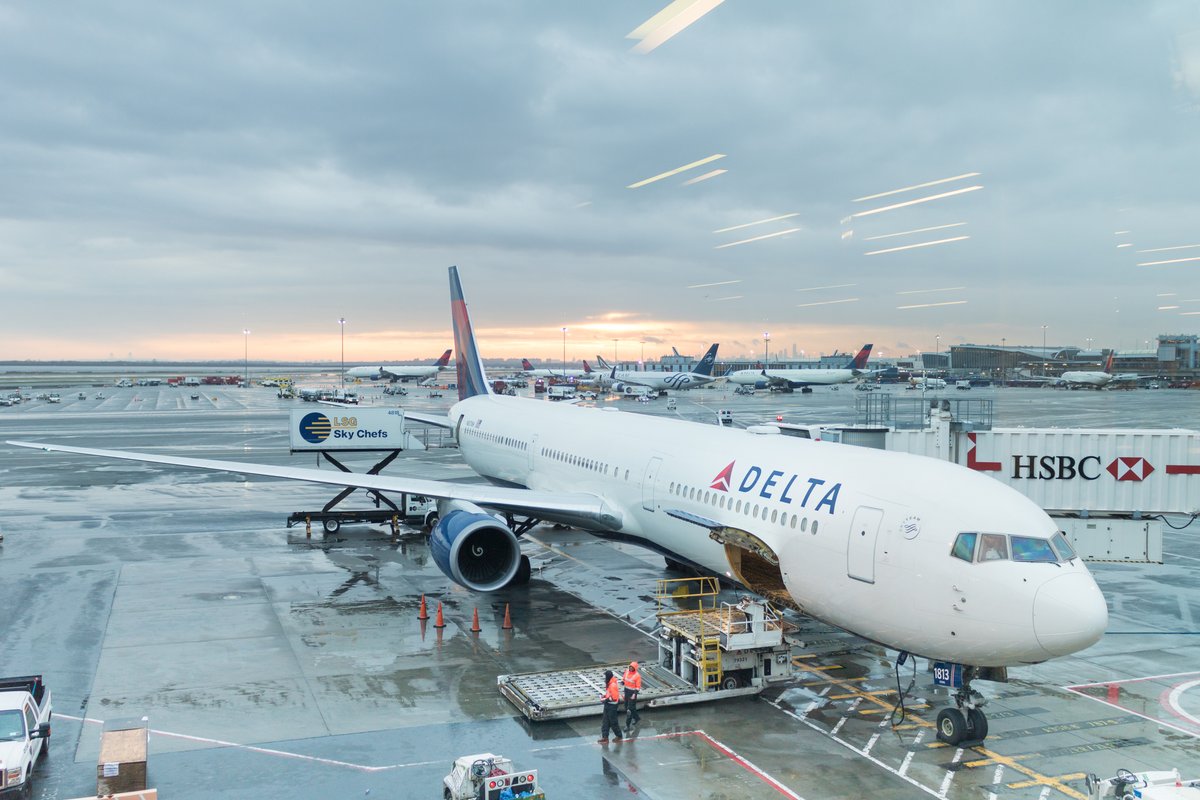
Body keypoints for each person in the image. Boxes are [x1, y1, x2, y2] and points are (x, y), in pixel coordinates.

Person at [598, 669, 623, 743]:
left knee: (613, 722)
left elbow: (614, 698)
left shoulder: (612, 685)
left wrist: (605, 700)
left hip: (612, 706)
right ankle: (605, 737)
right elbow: (610, 694)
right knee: (605, 722)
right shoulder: (610, 683)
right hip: (608, 705)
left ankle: (619, 736)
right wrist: (605, 696)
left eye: (605, 676)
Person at [622, 661, 642, 726]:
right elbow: (624, 678)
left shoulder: (637, 676)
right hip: (626, 692)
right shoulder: (627, 671)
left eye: (632, 667)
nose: (630, 668)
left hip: (632, 694)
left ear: (635, 668)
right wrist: (623, 682)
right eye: (630, 667)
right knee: (626, 707)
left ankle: (627, 725)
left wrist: (634, 694)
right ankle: (637, 718)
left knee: (629, 710)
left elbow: (638, 687)